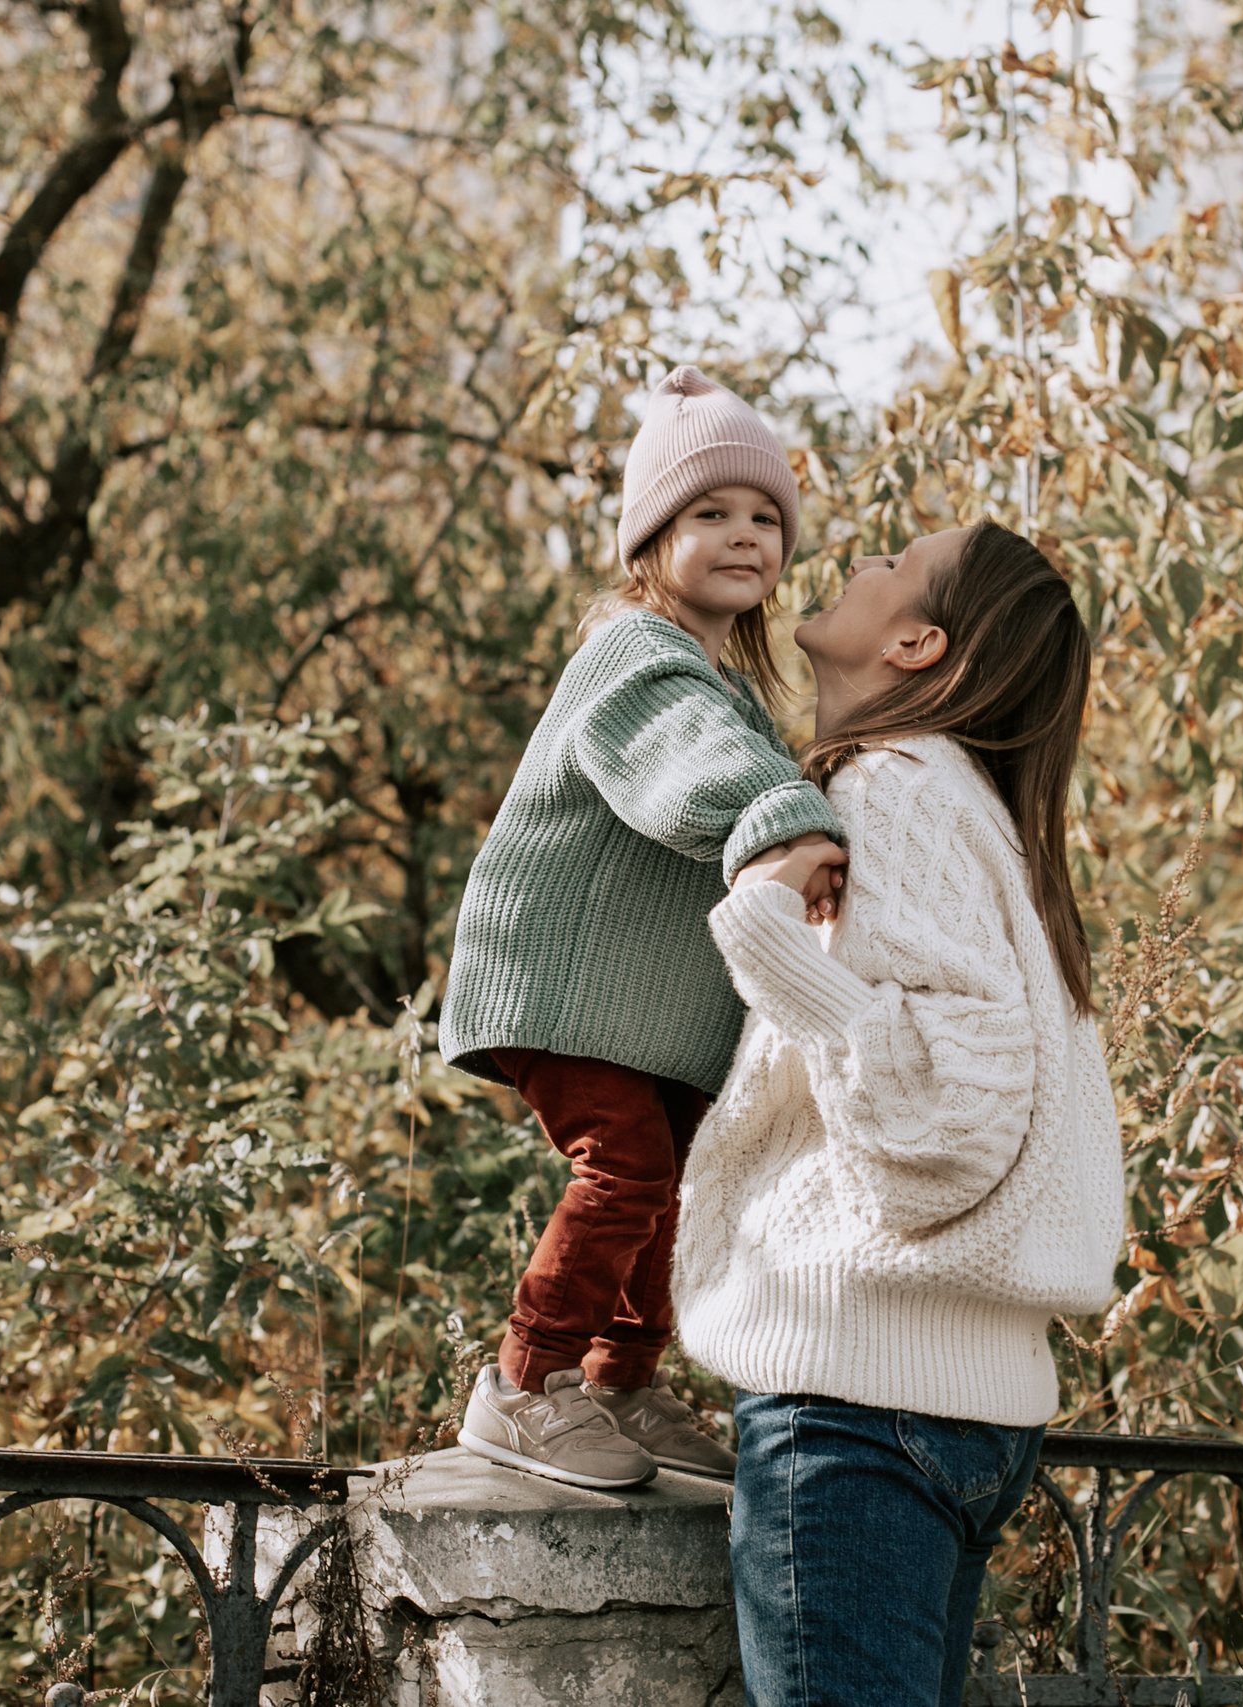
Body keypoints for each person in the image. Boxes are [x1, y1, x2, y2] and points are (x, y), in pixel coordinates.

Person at [673, 520, 1129, 1705]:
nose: (860, 562)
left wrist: (770, 938)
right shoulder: (972, 806)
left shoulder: (895, 787)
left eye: (892, 567)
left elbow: (951, 1122)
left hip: (861, 1414)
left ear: (919, 643)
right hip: (947, 1412)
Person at [440, 366, 846, 1489]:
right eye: (708, 513)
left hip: (646, 1012)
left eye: (765, 518)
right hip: (563, 988)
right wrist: (780, 823)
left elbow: (746, 753)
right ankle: (525, 1385)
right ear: (648, 540)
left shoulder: (726, 683)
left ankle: (620, 1383)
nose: (743, 535)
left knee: (682, 1176)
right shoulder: (635, 655)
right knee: (623, 1168)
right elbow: (688, 770)